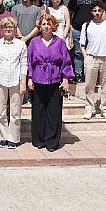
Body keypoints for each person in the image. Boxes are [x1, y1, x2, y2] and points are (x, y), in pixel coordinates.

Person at [27, 14, 74, 151]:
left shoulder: (59, 42)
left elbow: (66, 62)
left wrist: (65, 80)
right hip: (38, 79)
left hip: (55, 80)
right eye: (44, 24)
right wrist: (29, 78)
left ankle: (52, 141)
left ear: (53, 26)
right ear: (40, 26)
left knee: (54, 112)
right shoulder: (34, 42)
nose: (46, 26)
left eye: (48, 24)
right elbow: (29, 62)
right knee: (38, 111)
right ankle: (39, 140)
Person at [0, 17, 27, 149]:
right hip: (0, 80)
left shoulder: (21, 44)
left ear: (15, 29)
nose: (8, 29)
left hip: (16, 81)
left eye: (11, 27)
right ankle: (3, 137)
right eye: (5, 27)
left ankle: (13, 138)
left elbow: (24, 64)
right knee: (0, 112)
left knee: (15, 112)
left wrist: (23, 83)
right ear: (2, 29)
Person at [80, 0, 106, 120]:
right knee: (89, 86)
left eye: (99, 10)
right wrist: (86, 57)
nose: (97, 13)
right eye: (95, 10)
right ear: (91, 11)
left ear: (103, 11)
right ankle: (89, 108)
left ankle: (105, 109)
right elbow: (82, 44)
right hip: (91, 58)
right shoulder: (86, 25)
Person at [68, 0, 100, 83]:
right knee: (78, 53)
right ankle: (78, 75)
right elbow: (69, 14)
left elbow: (102, 12)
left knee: (92, 53)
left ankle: (91, 76)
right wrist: (71, 28)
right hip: (77, 30)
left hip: (93, 30)